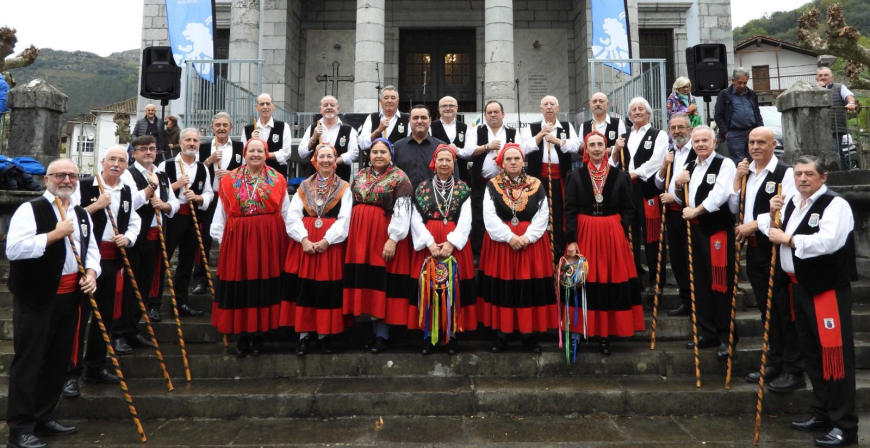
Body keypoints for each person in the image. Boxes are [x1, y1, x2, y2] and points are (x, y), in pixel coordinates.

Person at [760, 155, 858, 447]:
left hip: (825, 289)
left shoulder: (835, 204)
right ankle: (822, 413)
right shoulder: (792, 203)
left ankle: (845, 425)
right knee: (812, 355)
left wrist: (789, 239)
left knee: (835, 357)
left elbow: (828, 241)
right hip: (797, 288)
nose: (802, 179)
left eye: (809, 174)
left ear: (823, 177)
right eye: (799, 174)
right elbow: (772, 229)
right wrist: (771, 213)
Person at [6, 158, 99, 448]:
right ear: (47, 179)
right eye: (60, 175)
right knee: (30, 362)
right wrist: (54, 235)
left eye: (72, 176)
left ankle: (44, 416)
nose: (67, 180)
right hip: (37, 297)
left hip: (71, 297)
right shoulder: (30, 209)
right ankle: (20, 427)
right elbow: (14, 249)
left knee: (58, 360)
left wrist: (93, 273)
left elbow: (91, 249)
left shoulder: (82, 213)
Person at [730, 127, 803, 390]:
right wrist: (737, 181)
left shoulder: (784, 173)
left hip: (775, 247)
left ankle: (793, 368)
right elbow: (735, 207)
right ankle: (773, 361)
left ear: (774, 144)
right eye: (751, 142)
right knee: (766, 309)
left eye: (761, 142)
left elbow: (789, 209)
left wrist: (754, 224)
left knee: (785, 310)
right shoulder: (747, 172)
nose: (755, 146)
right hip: (755, 250)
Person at [65, 146, 142, 398]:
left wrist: (128, 238)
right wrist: (96, 206)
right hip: (84, 263)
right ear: (103, 161)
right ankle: (70, 374)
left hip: (112, 261)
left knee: (105, 317)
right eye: (112, 159)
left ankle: (95, 367)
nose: (116, 164)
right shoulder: (84, 186)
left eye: (122, 160)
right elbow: (68, 219)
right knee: (79, 319)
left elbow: (134, 221)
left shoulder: (127, 190)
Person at [564, 132, 644, 355]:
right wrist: (571, 240)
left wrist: (619, 228)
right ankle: (577, 332)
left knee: (608, 282)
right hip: (584, 234)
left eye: (600, 144)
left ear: (606, 148)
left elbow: (629, 208)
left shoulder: (621, 176)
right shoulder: (575, 175)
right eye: (592, 145)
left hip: (611, 236)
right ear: (585, 150)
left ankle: (604, 335)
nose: (597, 148)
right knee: (582, 281)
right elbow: (569, 209)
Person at [210, 138, 290, 356]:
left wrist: (285, 239)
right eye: (251, 150)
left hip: (268, 240)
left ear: (266, 154)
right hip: (238, 241)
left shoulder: (278, 179)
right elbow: (222, 212)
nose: (256, 154)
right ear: (244, 154)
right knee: (241, 285)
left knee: (262, 286)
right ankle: (242, 336)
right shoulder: (230, 180)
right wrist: (223, 239)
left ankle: (259, 335)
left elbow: (285, 212)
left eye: (260, 151)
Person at [477, 143, 558, 353]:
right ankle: (501, 334)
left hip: (530, 245)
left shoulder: (536, 184)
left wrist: (528, 237)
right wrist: (509, 237)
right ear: (501, 163)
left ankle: (527, 334)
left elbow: (543, 214)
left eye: (517, 159)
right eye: (508, 159)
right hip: (502, 245)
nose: (513, 162)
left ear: (523, 162)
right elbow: (489, 215)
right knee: (504, 289)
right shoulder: (492, 185)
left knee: (527, 289)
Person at [343, 138, 414, 354]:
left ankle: (383, 334)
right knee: (367, 281)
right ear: (369, 155)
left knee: (382, 281)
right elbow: (350, 204)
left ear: (391, 154)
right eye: (375, 152)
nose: (379, 156)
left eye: (383, 152)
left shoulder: (399, 177)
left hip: (383, 235)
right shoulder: (361, 175)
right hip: (360, 237)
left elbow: (403, 210)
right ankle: (373, 331)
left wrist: (393, 238)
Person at [280, 143, 353, 355]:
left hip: (329, 246)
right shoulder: (304, 186)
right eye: (322, 156)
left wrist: (327, 240)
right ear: (315, 159)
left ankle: (324, 336)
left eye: (330, 156)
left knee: (326, 290)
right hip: (305, 244)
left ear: (335, 160)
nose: (326, 160)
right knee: (304, 289)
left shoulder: (344, 188)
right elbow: (293, 215)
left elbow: (345, 219)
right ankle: (303, 336)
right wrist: (303, 239)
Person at [673, 125, 737, 359]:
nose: (700, 144)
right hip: (695, 232)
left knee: (720, 283)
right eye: (696, 141)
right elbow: (679, 197)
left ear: (714, 142)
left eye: (704, 141)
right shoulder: (690, 166)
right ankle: (707, 331)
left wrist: (696, 211)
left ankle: (726, 336)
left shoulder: (725, 164)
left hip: (716, 231)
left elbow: (719, 196)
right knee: (699, 283)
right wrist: (679, 184)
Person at [410, 144, 477, 355]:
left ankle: (451, 335)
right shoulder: (422, 188)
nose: (445, 163)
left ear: (454, 163)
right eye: (441, 160)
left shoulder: (463, 189)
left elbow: (466, 220)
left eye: (449, 160)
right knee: (430, 287)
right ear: (434, 163)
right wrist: (429, 243)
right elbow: (416, 219)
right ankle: (429, 335)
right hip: (430, 243)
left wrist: (451, 243)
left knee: (452, 288)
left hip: (454, 245)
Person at [113, 135, 178, 352]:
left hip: (156, 237)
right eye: (143, 149)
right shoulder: (128, 175)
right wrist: (151, 188)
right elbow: (133, 201)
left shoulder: (161, 174)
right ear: (134, 153)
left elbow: (174, 202)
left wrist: (166, 205)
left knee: (142, 287)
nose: (148, 152)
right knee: (128, 288)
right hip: (135, 239)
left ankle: (133, 329)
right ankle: (119, 333)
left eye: (151, 148)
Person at [611, 97, 669, 299]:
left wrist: (632, 175)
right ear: (629, 115)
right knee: (630, 236)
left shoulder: (658, 134)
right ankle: (635, 277)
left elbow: (656, 161)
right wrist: (616, 150)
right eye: (633, 110)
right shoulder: (623, 137)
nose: (636, 112)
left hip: (647, 190)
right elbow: (613, 164)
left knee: (652, 237)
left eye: (640, 109)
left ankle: (656, 279)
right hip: (627, 193)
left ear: (648, 113)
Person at [156, 128, 211, 319]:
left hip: (193, 217)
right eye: (188, 140)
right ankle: (154, 304)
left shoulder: (203, 168)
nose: (192, 143)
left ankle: (180, 303)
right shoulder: (166, 165)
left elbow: (209, 193)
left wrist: (198, 197)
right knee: (162, 260)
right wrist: (176, 186)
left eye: (195, 140)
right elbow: (156, 193)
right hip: (172, 218)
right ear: (180, 143)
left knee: (186, 262)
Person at [521, 95, 580, 263]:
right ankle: (540, 252)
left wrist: (558, 141)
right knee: (538, 214)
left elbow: (576, 146)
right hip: (538, 179)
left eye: (552, 104)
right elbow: (523, 148)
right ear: (541, 109)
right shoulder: (532, 128)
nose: (549, 107)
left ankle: (559, 253)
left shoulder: (567, 127)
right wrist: (540, 135)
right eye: (545, 104)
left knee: (559, 215)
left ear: (558, 108)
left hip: (560, 179)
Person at [193, 112, 244, 295]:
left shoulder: (240, 147)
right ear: (212, 127)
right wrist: (208, 161)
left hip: (233, 198)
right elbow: (194, 171)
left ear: (231, 127)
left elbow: (248, 172)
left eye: (225, 125)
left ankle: (232, 277)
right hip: (210, 197)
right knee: (204, 239)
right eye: (218, 125)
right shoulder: (204, 148)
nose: (221, 128)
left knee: (234, 238)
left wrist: (232, 175)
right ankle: (200, 279)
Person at [460, 100, 517, 259]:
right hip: (481, 183)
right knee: (479, 218)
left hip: (506, 184)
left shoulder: (512, 132)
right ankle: (479, 254)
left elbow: (519, 151)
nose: (493, 115)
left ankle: (503, 251)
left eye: (496, 112)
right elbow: (467, 151)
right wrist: (487, 147)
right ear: (485, 115)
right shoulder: (476, 131)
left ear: (503, 114)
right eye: (489, 112)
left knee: (504, 216)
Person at [655, 113, 696, 317]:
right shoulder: (670, 152)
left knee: (692, 258)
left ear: (689, 129)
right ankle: (685, 299)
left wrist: (676, 198)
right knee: (678, 259)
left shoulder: (697, 152)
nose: (677, 131)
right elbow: (658, 182)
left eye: (681, 127)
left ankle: (698, 299)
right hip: (671, 215)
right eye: (673, 128)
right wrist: (663, 165)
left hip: (691, 213)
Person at [392, 104, 455, 188]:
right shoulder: (397, 147)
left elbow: (453, 176)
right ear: (409, 121)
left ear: (430, 120)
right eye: (415, 118)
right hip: (404, 197)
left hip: (434, 198)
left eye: (423, 117)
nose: (419, 121)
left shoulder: (442, 148)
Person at [299, 95, 359, 182]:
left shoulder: (349, 129)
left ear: (337, 109)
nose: (329, 107)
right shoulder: (312, 128)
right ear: (320, 109)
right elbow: (301, 152)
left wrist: (334, 162)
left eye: (332, 105)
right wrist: (313, 138)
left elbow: (354, 152)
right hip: (315, 178)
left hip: (340, 178)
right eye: (326, 105)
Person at [714, 68, 763, 164]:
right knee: (739, 163)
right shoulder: (724, 94)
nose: (742, 86)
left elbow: (757, 113)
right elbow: (718, 115)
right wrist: (726, 133)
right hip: (734, 134)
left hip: (752, 132)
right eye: (739, 82)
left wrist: (761, 130)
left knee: (754, 161)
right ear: (733, 81)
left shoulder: (752, 94)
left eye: (745, 83)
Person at [816, 66, 858, 171]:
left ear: (832, 77)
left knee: (836, 151)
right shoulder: (812, 88)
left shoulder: (839, 87)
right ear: (817, 78)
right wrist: (817, 89)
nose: (823, 77)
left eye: (826, 75)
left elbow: (848, 95)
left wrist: (851, 103)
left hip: (835, 126)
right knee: (819, 153)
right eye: (820, 75)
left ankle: (842, 174)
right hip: (817, 127)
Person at [357, 86, 410, 164]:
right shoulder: (372, 117)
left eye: (392, 98)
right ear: (380, 101)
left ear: (397, 101)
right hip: (375, 166)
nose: (389, 101)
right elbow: (362, 143)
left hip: (398, 166)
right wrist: (377, 131)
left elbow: (410, 144)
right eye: (386, 98)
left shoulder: (407, 118)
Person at [244, 93, 292, 176]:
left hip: (276, 175)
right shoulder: (247, 129)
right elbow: (244, 155)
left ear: (273, 106)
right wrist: (251, 142)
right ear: (257, 107)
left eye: (268, 104)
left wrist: (263, 155)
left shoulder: (283, 126)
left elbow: (286, 153)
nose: (265, 107)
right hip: (253, 176)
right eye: (262, 104)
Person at [431, 96, 471, 182]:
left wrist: (458, 151)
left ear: (457, 109)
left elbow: (468, 152)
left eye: (451, 106)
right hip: (436, 176)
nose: (448, 108)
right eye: (444, 106)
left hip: (460, 174)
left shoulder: (464, 127)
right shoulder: (431, 127)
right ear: (439, 109)